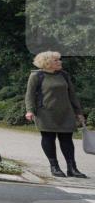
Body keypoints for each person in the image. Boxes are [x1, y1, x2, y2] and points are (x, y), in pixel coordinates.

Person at [25, 51, 87, 179]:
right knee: (48, 138)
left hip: (65, 112)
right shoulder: (36, 75)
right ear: (47, 63)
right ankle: (54, 167)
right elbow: (29, 95)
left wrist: (78, 112)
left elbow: (72, 95)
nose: (60, 62)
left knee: (67, 140)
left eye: (59, 60)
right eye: (56, 60)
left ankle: (72, 168)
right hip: (45, 112)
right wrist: (30, 110)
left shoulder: (64, 75)